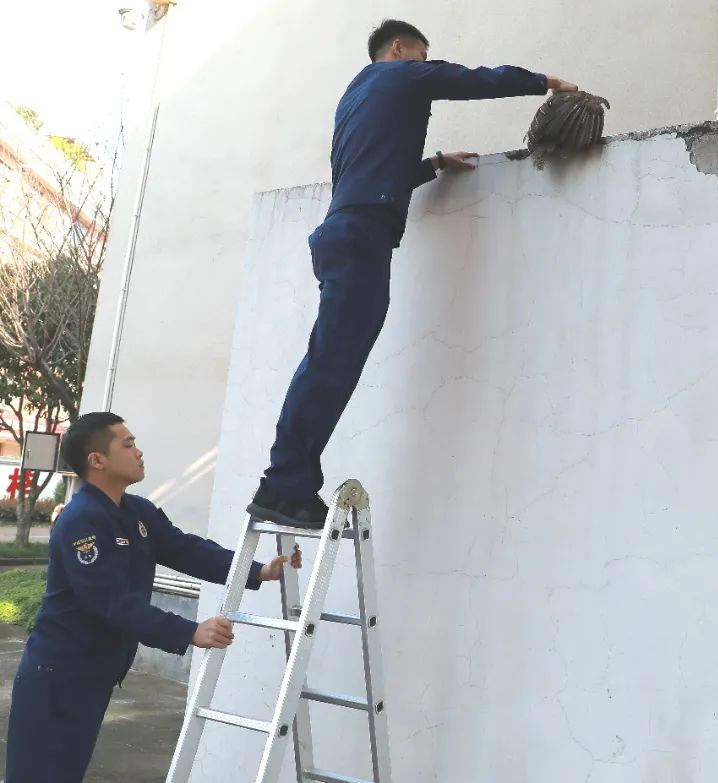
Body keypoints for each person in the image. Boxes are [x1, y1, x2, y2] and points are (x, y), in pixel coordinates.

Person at [247, 19, 579, 528]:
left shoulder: (355, 97)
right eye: (422, 57)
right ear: (399, 49)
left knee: (331, 362)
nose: (425, 67)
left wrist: (435, 163)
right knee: (331, 365)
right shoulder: (399, 75)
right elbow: (469, 79)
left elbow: (376, 170)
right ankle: (283, 485)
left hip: (344, 234)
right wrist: (543, 82)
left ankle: (290, 481)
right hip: (361, 237)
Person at [4, 412, 302, 783]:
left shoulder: (136, 511)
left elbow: (187, 550)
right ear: (97, 460)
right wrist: (189, 631)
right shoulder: (82, 520)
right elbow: (110, 602)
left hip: (94, 674)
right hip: (57, 676)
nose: (139, 452)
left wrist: (258, 571)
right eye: (127, 445)